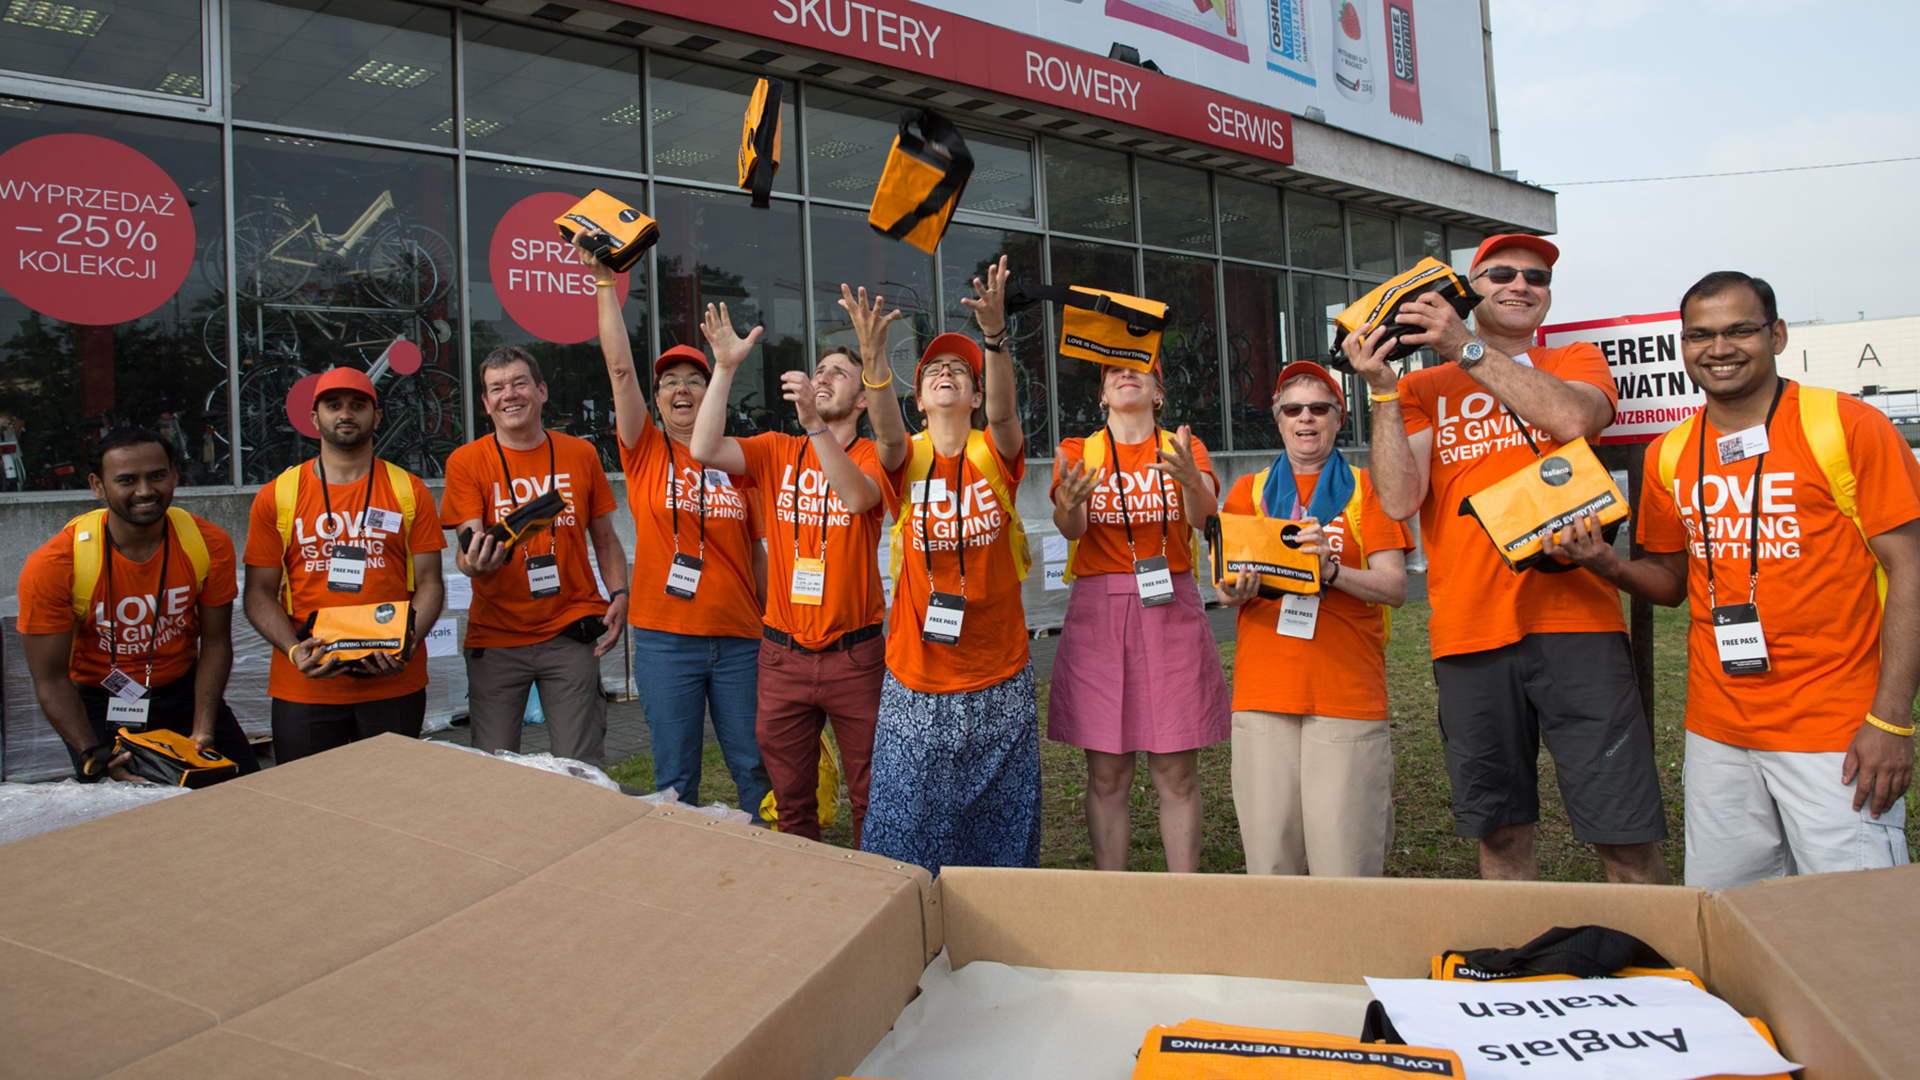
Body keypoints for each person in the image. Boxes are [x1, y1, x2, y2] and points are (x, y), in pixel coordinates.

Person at [1545, 272, 1919, 889]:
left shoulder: (1846, 426)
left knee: (1856, 926)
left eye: (1740, 330)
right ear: (1683, 345)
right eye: (1701, 335)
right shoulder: (1672, 452)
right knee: (1731, 916)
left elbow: (1909, 568)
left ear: (1776, 334)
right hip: (1718, 733)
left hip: (1836, 732)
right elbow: (1669, 581)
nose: (1719, 348)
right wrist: (1608, 566)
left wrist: (1890, 721)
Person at [1344, 233, 1670, 883]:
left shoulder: (1575, 357)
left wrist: (1465, 347)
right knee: (1499, 835)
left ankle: (1657, 972)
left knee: (1625, 835)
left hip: (1580, 627)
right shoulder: (1423, 386)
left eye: (1536, 277)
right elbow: (1401, 498)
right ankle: (1516, 979)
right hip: (1470, 633)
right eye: (1501, 274)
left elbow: (1573, 418)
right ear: (1470, 287)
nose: (1521, 285)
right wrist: (1383, 390)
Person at [688, 291, 907, 844]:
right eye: (819, 370)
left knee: (869, 795)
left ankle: (877, 902)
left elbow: (858, 500)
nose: (824, 377)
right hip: (782, 655)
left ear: (862, 401)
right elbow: (703, 447)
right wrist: (726, 366)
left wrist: (814, 425)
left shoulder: (873, 456)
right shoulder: (776, 450)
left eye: (839, 373)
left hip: (854, 657)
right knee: (789, 803)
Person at [861, 256, 1041, 876]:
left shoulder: (996, 451)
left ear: (974, 394)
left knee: (1000, 836)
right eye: (934, 368)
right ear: (920, 397)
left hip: (1000, 670)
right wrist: (875, 365)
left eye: (959, 372)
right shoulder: (904, 458)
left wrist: (993, 339)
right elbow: (883, 436)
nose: (946, 374)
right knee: (908, 840)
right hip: (918, 676)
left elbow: (1007, 415)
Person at [578, 237, 770, 815]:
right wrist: (604, 284)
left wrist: (768, 621)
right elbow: (618, 369)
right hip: (665, 641)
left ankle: (772, 867)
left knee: (754, 766)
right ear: (657, 398)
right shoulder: (644, 450)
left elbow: (758, 552)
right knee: (675, 777)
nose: (681, 388)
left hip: (740, 640)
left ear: (712, 390)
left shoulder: (740, 458)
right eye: (670, 382)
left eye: (695, 379)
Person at [1217, 361, 1410, 876]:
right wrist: (1239, 587)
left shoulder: (1369, 489)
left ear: (1339, 417)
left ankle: (1351, 960)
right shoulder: (1248, 493)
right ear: (1278, 420)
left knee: (1346, 865)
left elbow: (1394, 587)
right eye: (1293, 409)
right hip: (1264, 693)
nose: (1306, 418)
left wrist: (1332, 571)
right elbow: (1222, 588)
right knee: (1270, 863)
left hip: (1345, 693)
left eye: (1319, 408)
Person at [1048, 359, 1229, 872]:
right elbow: (1071, 527)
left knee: (1176, 774)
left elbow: (1204, 518)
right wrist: (1070, 502)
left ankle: (1184, 897)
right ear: (1102, 394)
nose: (1126, 376)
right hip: (1098, 615)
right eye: (1112, 372)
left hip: (1170, 605)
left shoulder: (1182, 447)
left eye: (1140, 370)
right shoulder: (1079, 452)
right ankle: (1115, 900)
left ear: (1158, 393)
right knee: (1108, 775)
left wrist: (1193, 481)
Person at [19, 428, 260, 782]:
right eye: (127, 480)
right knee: (127, 819)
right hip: (100, 706)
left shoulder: (207, 543)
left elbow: (216, 642)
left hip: (185, 693)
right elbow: (51, 679)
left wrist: (203, 729)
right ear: (98, 486)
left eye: (157, 476)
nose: (145, 491)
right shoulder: (55, 565)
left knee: (247, 791)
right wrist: (93, 754)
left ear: (174, 476)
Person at [241, 368, 446, 764]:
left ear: (377, 415)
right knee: (307, 806)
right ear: (315, 418)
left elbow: (430, 583)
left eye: (357, 405)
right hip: (305, 685)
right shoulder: (278, 495)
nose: (345, 414)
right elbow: (258, 592)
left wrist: (406, 644)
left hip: (391, 681)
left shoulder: (408, 490)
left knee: (392, 804)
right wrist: (293, 650)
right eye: (333, 405)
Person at [442, 346, 630, 767]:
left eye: (519, 383)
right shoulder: (466, 462)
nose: (509, 394)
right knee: (494, 767)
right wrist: (475, 563)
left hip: (569, 631)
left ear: (541, 391)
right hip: (496, 637)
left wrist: (619, 593)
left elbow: (605, 539)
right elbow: (467, 544)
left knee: (580, 764)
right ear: (486, 403)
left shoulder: (580, 454)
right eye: (497, 388)